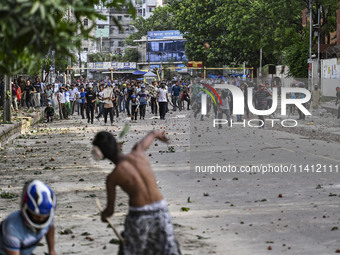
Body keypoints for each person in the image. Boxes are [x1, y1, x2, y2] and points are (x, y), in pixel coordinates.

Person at [92, 131, 182, 255]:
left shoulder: (113, 177)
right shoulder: (138, 152)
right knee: (167, 249)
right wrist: (158, 135)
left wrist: (104, 215)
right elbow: (152, 134)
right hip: (161, 209)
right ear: (118, 145)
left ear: (102, 156)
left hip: (139, 214)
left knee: (132, 251)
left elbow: (110, 210)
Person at [0, 180, 57, 255]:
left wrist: (52, 250)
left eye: (44, 216)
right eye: (36, 216)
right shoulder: (12, 227)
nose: (41, 219)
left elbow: (50, 226)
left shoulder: (48, 213)